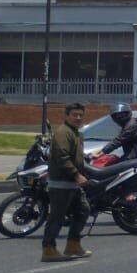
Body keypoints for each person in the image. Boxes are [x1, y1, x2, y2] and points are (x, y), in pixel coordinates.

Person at [43, 102, 92, 262]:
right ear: (67, 115)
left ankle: (73, 245)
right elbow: (62, 157)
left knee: (83, 210)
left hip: (71, 183)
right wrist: (76, 175)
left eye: (80, 115)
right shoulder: (63, 132)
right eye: (74, 115)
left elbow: (75, 157)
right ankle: (49, 249)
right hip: (61, 183)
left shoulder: (75, 132)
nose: (78, 118)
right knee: (57, 216)